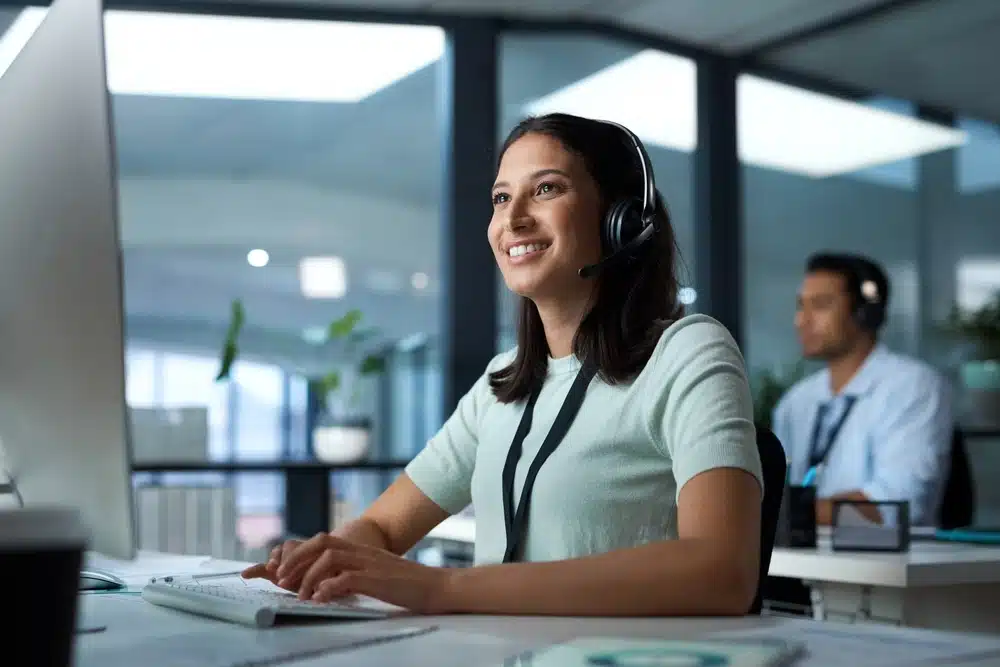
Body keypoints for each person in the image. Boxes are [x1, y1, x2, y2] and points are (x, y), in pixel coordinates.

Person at [242, 113, 764, 616]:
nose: (512, 218)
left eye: (546, 189)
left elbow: (721, 569)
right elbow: (381, 528)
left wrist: (444, 588)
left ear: (620, 220)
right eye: (500, 197)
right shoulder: (501, 385)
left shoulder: (688, 352)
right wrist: (333, 556)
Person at [772, 252, 953, 527]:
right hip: (800, 563)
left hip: (886, 566)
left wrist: (779, 515)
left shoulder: (913, 386)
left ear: (864, 312)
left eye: (819, 305)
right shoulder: (796, 402)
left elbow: (898, 506)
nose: (801, 320)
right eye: (801, 306)